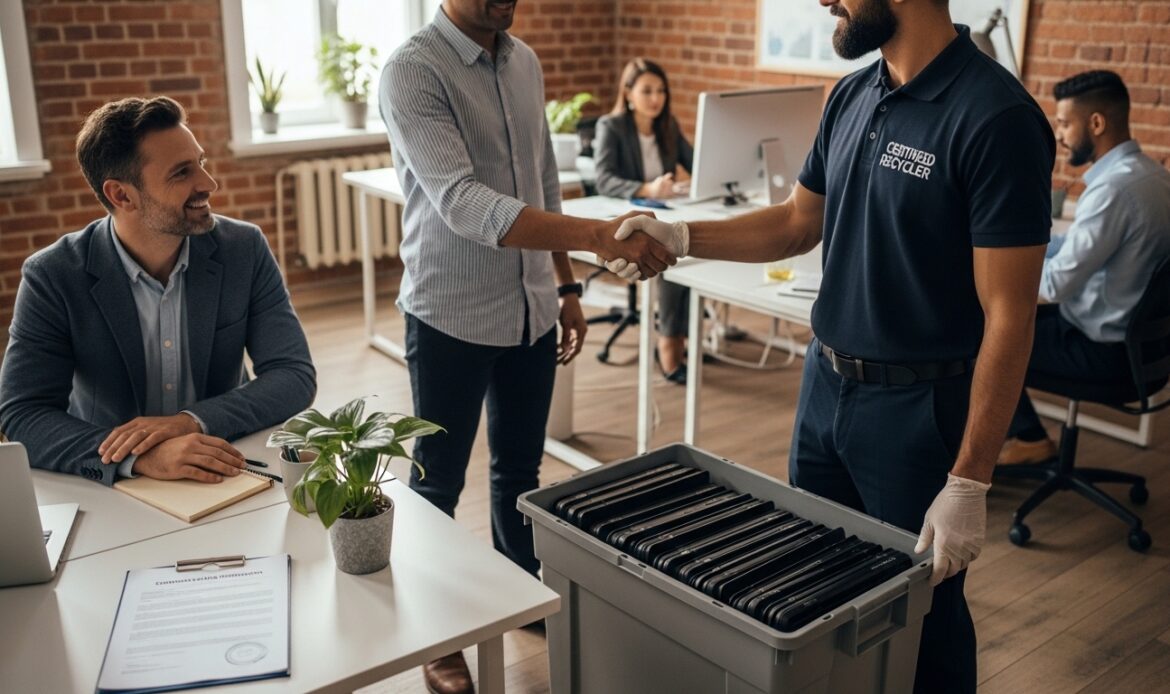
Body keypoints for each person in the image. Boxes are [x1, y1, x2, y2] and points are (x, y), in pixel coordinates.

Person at [608, 1, 1054, 691]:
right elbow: (795, 223)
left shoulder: (996, 117)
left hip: (917, 411)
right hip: (823, 392)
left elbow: (1010, 317)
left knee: (923, 618)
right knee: (818, 584)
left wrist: (970, 480)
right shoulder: (853, 93)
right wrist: (684, 238)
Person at [378, 2, 675, 692]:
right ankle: (436, 629)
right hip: (449, 311)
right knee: (437, 482)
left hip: (532, 310)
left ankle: (515, 591)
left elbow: (542, 176)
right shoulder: (412, 70)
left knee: (519, 468)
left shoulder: (524, 60)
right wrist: (598, 236)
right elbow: (463, 203)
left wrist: (567, 288)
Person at [0, 96, 316, 486]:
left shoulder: (243, 248)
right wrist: (141, 456)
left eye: (201, 162)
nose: (208, 183)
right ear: (122, 195)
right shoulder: (52, 275)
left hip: (229, 463)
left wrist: (188, 424)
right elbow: (23, 414)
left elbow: (293, 374)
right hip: (113, 482)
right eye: (182, 173)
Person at [999, 70, 1170, 464]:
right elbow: (1078, 248)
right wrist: (1024, 247)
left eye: (1063, 123)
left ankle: (1028, 437)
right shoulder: (1154, 178)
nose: (1059, 135)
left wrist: (998, 272)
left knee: (979, 334)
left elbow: (1056, 285)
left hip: (1101, 352)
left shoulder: (1111, 192)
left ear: (1096, 123)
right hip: (1143, 349)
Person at [595, 58, 696, 383]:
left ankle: (680, 335)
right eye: (647, 91)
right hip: (626, 218)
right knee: (671, 251)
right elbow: (604, 180)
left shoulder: (667, 126)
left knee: (692, 244)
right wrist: (647, 188)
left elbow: (696, 161)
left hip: (665, 211)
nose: (656, 98)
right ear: (628, 93)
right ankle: (670, 342)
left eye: (661, 91)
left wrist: (699, 180)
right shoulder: (611, 127)